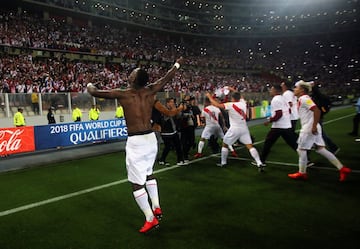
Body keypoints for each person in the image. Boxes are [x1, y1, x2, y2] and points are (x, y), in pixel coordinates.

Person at [87, 57, 184, 233]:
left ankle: (150, 218)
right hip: (151, 139)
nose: (129, 74)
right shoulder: (150, 91)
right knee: (148, 173)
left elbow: (95, 92)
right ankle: (156, 205)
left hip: (136, 142)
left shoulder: (124, 93)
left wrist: (89, 84)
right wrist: (176, 64)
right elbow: (167, 77)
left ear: (134, 79)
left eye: (132, 73)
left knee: (136, 183)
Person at [288, 80, 351, 181]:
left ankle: (302, 173)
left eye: (296, 88)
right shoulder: (303, 98)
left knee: (301, 149)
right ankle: (342, 168)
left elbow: (316, 110)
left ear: (302, 90)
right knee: (320, 149)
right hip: (313, 126)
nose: (294, 89)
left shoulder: (304, 98)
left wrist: (313, 126)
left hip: (309, 128)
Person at [205, 90, 264, 170]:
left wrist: (209, 96)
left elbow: (217, 105)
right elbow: (239, 95)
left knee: (225, 144)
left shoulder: (230, 104)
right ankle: (259, 163)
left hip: (235, 129)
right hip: (244, 128)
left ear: (232, 98)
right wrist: (231, 89)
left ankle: (223, 163)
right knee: (250, 146)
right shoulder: (243, 103)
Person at [258, 85, 298, 167]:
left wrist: (269, 120)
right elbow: (289, 110)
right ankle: (306, 158)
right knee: (293, 144)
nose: (270, 91)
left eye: (271, 90)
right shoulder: (283, 98)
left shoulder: (275, 100)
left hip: (278, 126)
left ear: (276, 91)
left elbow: (279, 114)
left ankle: (261, 161)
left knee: (268, 143)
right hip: (286, 125)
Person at [310, 83, 339, 154]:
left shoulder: (317, 97)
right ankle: (315, 145)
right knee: (314, 132)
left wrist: (321, 112)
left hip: (317, 117)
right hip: (318, 116)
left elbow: (317, 107)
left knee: (321, 133)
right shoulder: (319, 96)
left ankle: (333, 147)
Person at [158, 97, 187, 166]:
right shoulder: (163, 109)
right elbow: (168, 116)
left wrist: (181, 109)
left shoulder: (173, 110)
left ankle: (180, 160)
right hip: (166, 132)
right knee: (168, 146)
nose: (173, 103)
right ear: (167, 103)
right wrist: (177, 109)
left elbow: (179, 116)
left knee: (178, 146)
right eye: (171, 102)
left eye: (173, 102)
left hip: (173, 131)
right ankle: (162, 159)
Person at [179, 95, 200, 161]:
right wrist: (188, 115)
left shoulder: (190, 107)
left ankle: (186, 153)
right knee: (184, 141)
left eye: (189, 100)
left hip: (190, 126)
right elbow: (179, 115)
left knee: (191, 141)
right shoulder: (181, 105)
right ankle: (184, 156)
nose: (189, 101)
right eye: (187, 100)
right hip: (184, 126)